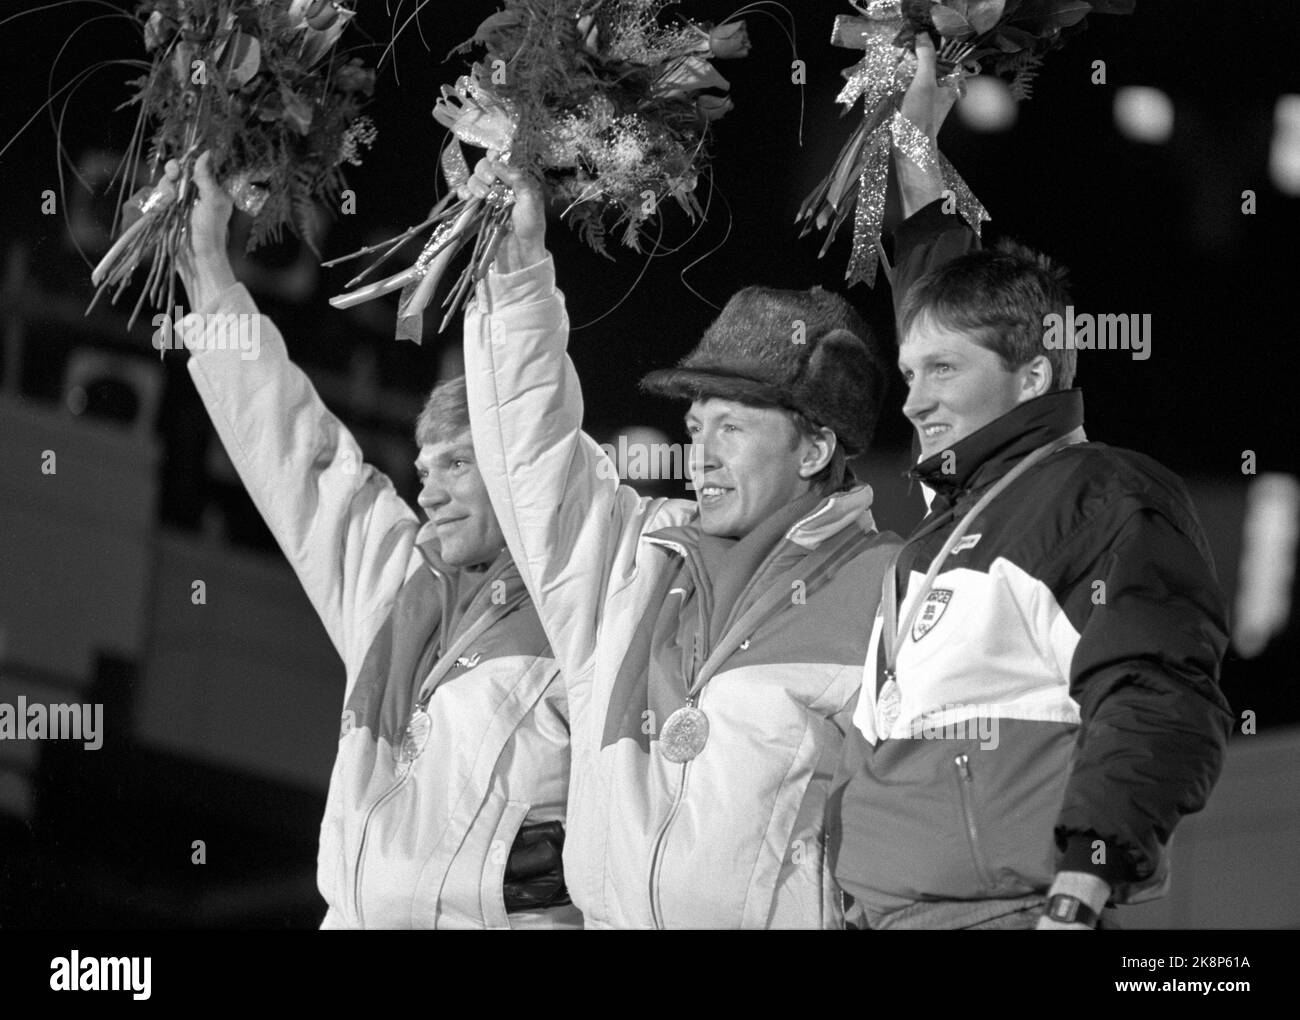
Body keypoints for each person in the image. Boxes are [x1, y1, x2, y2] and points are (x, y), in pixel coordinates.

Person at [827, 62, 1234, 927]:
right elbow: (944, 301)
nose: (913, 399)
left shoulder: (1097, 494)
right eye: (907, 373)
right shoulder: (941, 532)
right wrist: (912, 143)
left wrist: (1084, 880)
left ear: (1034, 375)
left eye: (941, 372)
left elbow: (1158, 688)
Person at [172, 152, 578, 929]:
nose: (428, 488)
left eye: (457, 464)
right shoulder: (403, 588)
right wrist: (206, 272)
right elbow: (301, 457)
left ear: (510, 465)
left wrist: (521, 267)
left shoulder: (584, 600)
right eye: (425, 466)